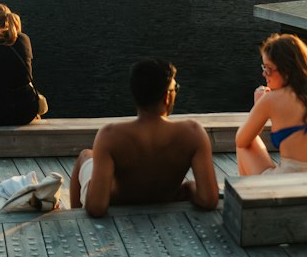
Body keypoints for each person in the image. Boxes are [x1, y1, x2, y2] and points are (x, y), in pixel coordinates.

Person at [70, 59, 219, 216]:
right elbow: (208, 199)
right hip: (165, 197)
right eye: (175, 88)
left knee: (85, 156)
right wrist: (189, 187)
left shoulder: (110, 136)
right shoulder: (193, 133)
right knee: (87, 156)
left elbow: (97, 207)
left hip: (116, 200)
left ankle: (73, 217)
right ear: (167, 97)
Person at [235, 32, 307, 175]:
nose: (264, 74)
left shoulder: (271, 99)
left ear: (286, 69)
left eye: (268, 69)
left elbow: (241, 140)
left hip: (290, 182)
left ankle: (248, 196)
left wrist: (258, 106)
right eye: (264, 68)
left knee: (244, 146)